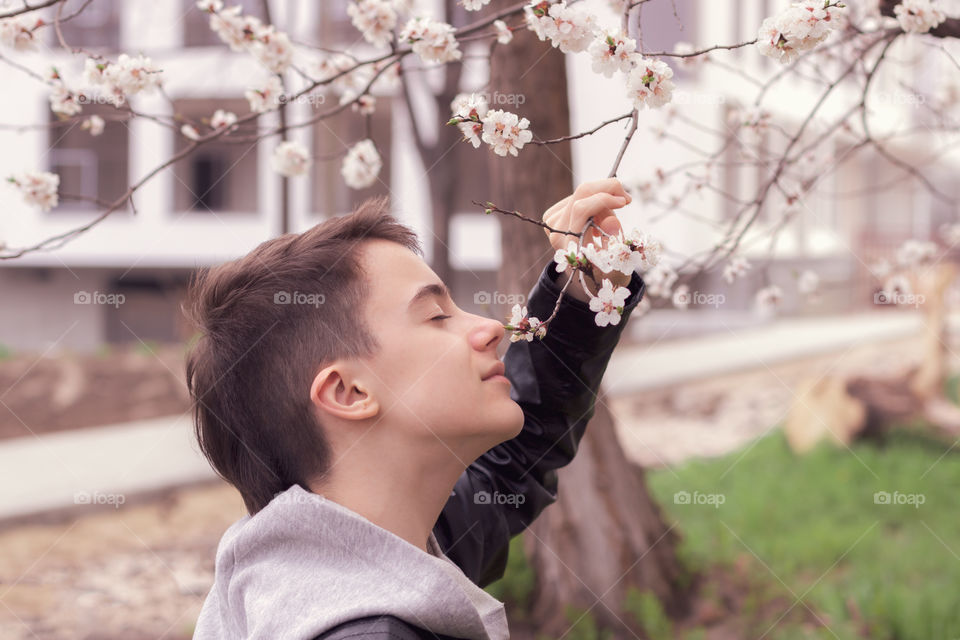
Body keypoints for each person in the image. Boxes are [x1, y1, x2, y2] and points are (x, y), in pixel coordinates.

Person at [185, 178, 646, 640]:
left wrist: (583, 289)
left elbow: (513, 463)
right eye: (436, 316)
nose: (491, 327)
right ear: (348, 392)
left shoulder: (355, 556)